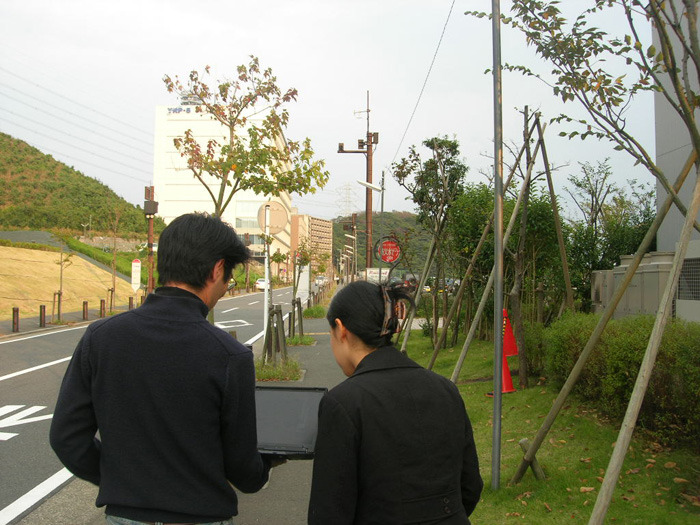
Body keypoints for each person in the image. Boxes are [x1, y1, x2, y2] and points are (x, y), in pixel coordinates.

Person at [50, 212, 279, 525]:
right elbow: (241, 466)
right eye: (229, 277)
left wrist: (120, 480)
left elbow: (66, 438)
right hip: (202, 514)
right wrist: (266, 467)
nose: (227, 287)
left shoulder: (101, 338)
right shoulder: (229, 355)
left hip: (124, 514)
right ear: (216, 271)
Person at [308, 281, 483, 524]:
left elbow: (329, 511)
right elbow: (470, 486)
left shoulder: (343, 403)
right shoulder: (446, 390)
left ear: (341, 329)